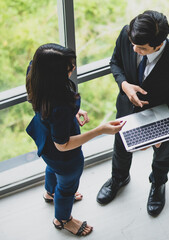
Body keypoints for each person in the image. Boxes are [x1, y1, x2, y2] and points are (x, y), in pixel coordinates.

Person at [96, 10, 169, 216]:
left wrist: (158, 134)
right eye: (133, 44)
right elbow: (115, 63)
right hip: (125, 109)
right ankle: (119, 177)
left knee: (162, 154)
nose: (134, 49)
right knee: (120, 147)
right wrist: (124, 85)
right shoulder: (127, 34)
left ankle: (158, 184)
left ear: (158, 44)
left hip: (160, 117)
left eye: (141, 48)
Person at [26, 43, 125, 236]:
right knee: (68, 185)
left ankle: (50, 193)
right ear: (55, 76)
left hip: (43, 136)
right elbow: (63, 145)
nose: (72, 69)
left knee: (52, 167)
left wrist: (74, 109)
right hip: (63, 153)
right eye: (68, 68)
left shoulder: (35, 72)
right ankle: (62, 219)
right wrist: (99, 130)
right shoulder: (59, 106)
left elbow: (53, 112)